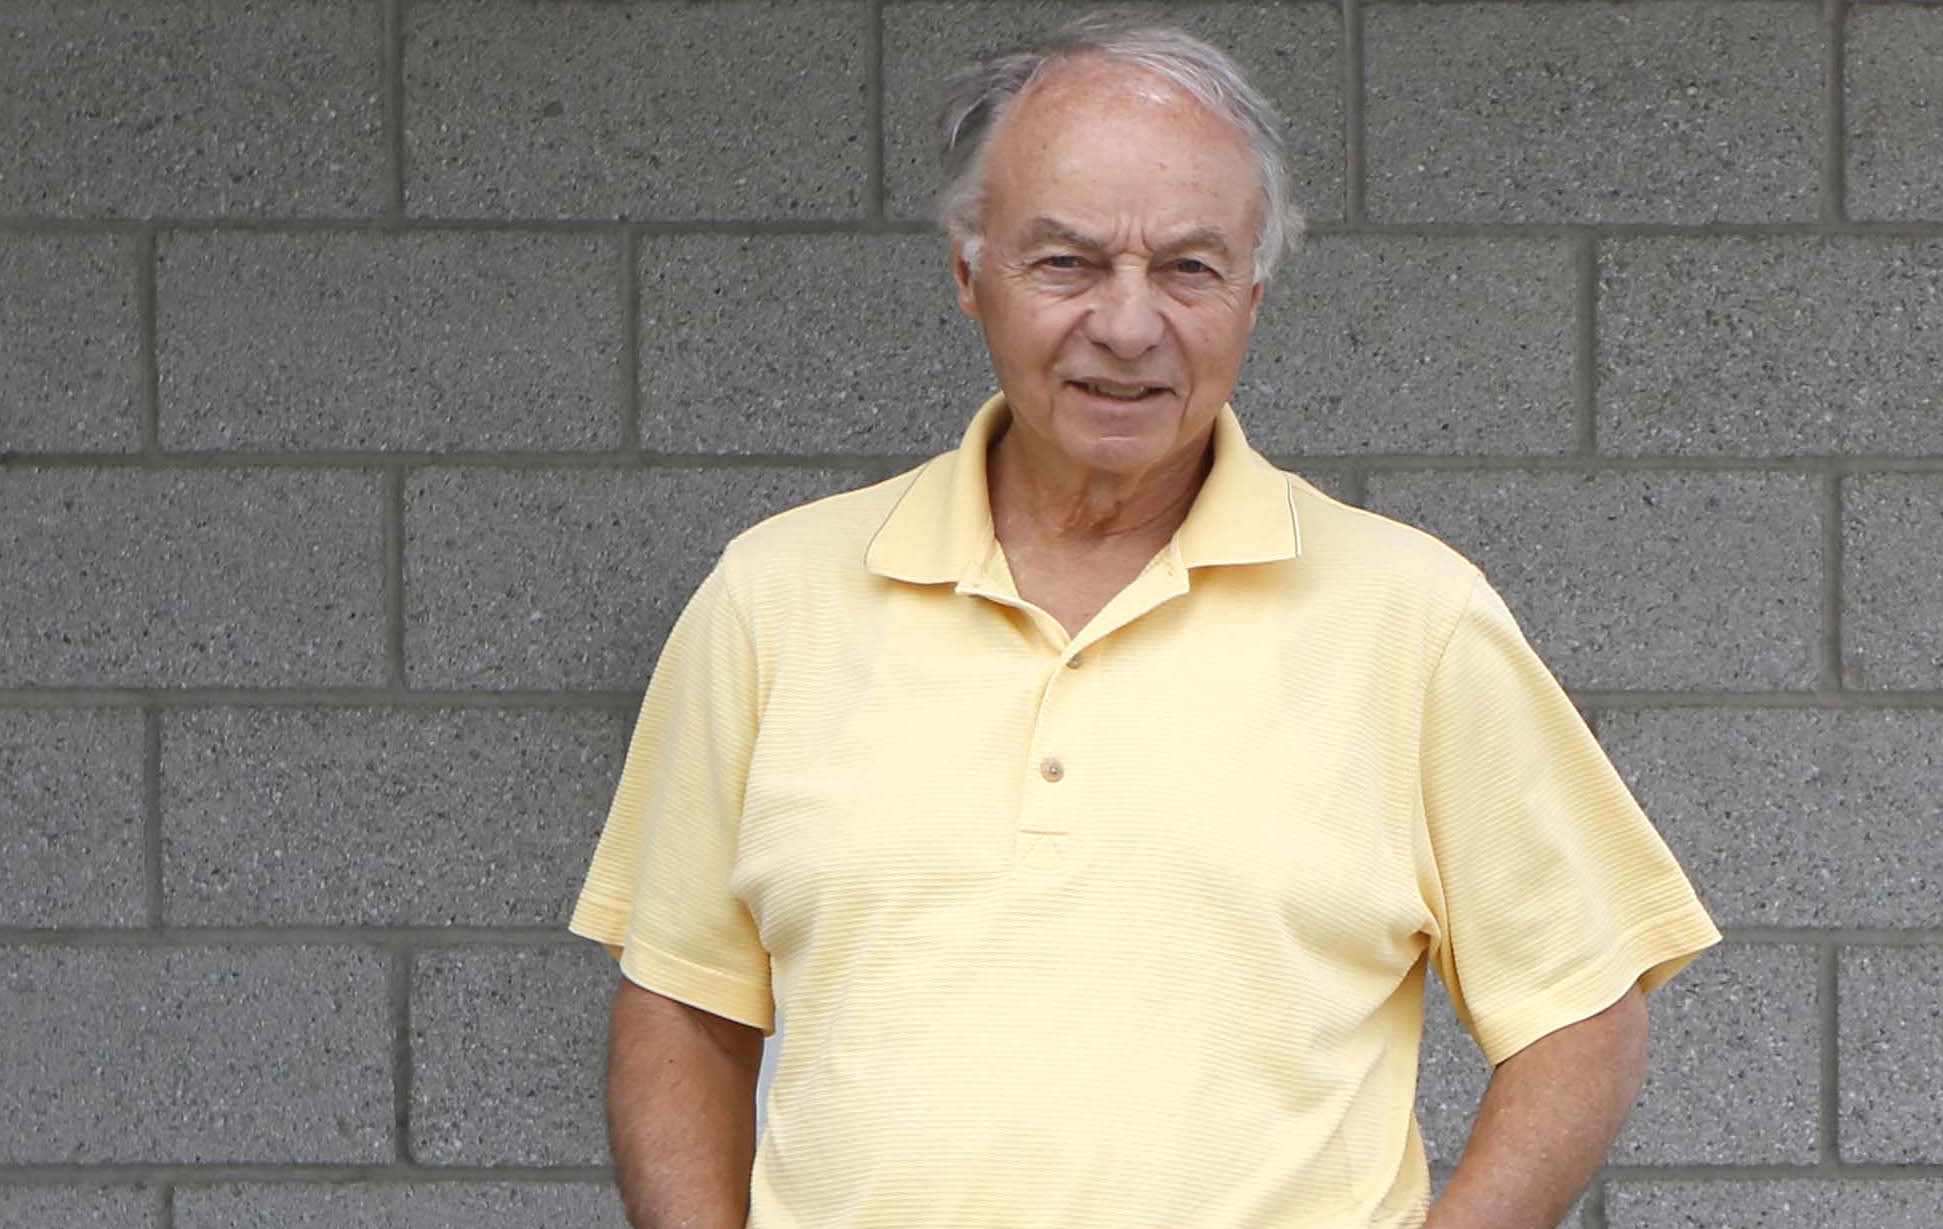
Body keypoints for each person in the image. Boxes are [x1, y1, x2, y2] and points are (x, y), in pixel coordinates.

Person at [568, 14, 1722, 1229]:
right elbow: (683, 1005)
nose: (1126, 326)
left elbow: (1581, 1012)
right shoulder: (770, 599)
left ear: (1253, 291)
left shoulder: (1415, 620)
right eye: (1065, 263)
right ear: (967, 272)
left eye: (1187, 268)